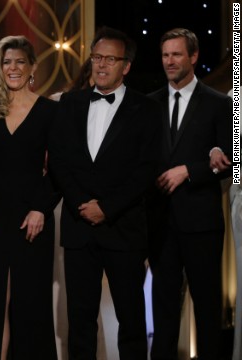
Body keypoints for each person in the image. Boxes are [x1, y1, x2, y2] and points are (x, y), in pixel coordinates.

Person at [48, 26, 163, 360]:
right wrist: (81, 204)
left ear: (125, 66)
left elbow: (146, 170)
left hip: (123, 228)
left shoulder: (146, 109)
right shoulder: (70, 103)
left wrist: (107, 208)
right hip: (78, 225)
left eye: (109, 59)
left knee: (131, 319)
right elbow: (59, 159)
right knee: (80, 321)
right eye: (96, 57)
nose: (101, 65)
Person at [0, 35, 60, 359]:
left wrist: (40, 209)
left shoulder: (49, 111)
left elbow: (60, 171)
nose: (13, 68)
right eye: (7, 62)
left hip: (31, 220)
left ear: (32, 66)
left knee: (29, 302)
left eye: (20, 61)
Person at [147, 28, 233, 360]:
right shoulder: (148, 104)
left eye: (177, 54)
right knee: (163, 310)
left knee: (207, 311)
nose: (169, 61)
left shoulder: (219, 103)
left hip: (202, 223)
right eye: (165, 54)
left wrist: (190, 170)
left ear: (193, 57)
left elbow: (231, 158)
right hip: (160, 223)